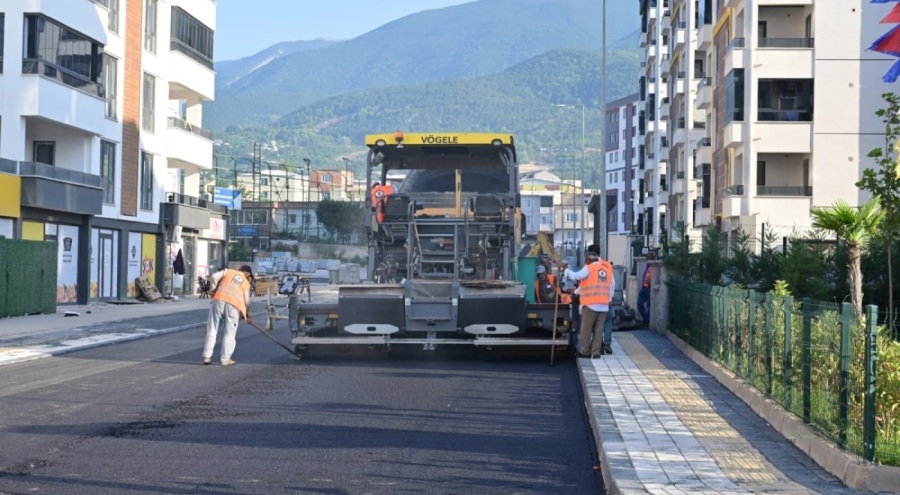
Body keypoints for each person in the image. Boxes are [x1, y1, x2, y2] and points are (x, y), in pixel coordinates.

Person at [564, 251, 614, 358]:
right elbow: (610, 286)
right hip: (604, 305)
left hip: (591, 304)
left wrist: (565, 270)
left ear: (587, 261)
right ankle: (596, 353)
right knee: (598, 330)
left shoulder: (589, 267)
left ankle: (585, 351)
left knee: (586, 329)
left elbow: (576, 276)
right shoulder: (607, 269)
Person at [202, 265, 254, 366]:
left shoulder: (228, 272)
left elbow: (213, 277)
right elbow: (247, 302)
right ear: (247, 273)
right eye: (249, 276)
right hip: (233, 306)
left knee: (212, 329)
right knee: (229, 333)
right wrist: (247, 316)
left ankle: (207, 357)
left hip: (218, 301)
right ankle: (225, 359)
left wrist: (213, 290)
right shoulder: (246, 283)